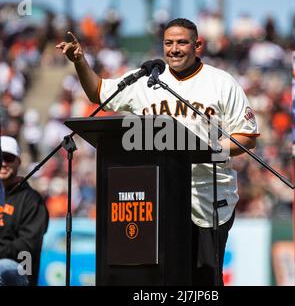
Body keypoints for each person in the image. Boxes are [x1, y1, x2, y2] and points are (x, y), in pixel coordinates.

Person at [56, 18, 259, 285]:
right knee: (160, 278)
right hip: (158, 196)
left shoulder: (221, 82)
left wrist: (208, 148)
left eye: (182, 42)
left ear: (197, 45)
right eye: (168, 43)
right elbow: (98, 92)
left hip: (209, 195)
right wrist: (79, 61)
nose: (174, 49)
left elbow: (247, 136)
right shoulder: (146, 81)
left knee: (204, 279)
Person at [0, 136, 49, 286]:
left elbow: (27, 248)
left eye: (8, 158)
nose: (3, 163)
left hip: (19, 270)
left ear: (18, 162)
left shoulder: (32, 200)